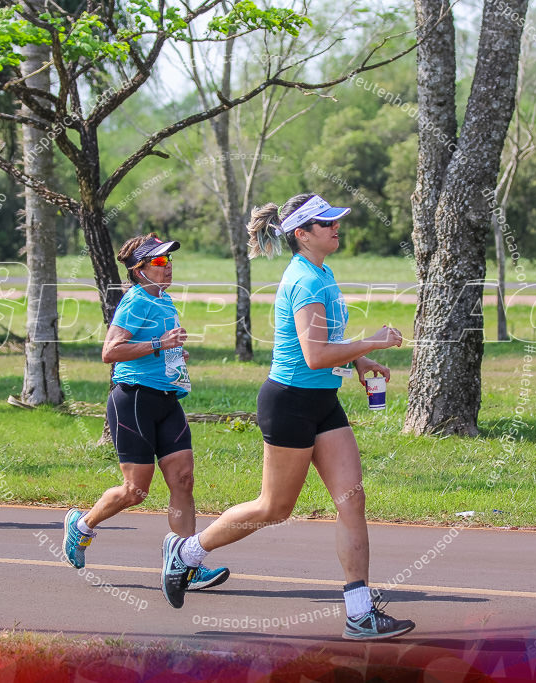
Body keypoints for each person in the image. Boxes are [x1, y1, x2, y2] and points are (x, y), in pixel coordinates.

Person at [159, 194, 415, 641]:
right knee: (273, 508)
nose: (336, 227)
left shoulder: (323, 272)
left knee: (351, 499)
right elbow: (314, 355)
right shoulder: (304, 280)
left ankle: (359, 613)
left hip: (323, 403)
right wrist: (371, 343)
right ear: (302, 234)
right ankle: (187, 552)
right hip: (290, 402)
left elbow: (326, 340)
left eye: (336, 221)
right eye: (326, 223)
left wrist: (358, 363)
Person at [62, 234, 230, 591]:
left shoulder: (165, 301)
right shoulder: (134, 301)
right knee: (136, 490)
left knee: (183, 479)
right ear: (139, 271)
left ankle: (187, 561)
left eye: (168, 261)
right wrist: (159, 345)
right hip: (134, 399)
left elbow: (159, 348)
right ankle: (81, 525)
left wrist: (173, 355)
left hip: (167, 399)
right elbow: (110, 352)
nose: (167, 267)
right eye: (158, 262)